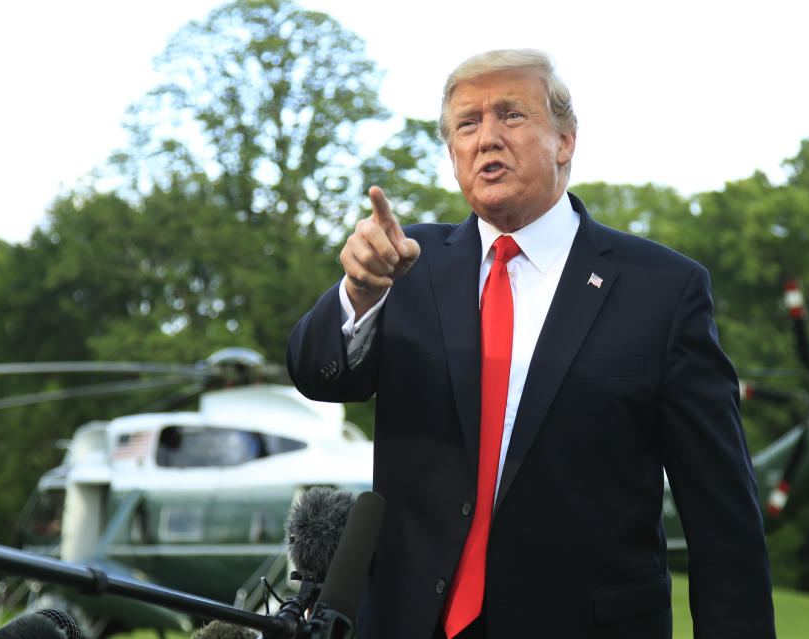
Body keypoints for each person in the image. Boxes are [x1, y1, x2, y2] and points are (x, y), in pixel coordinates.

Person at [287, 49, 775, 639]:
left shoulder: (664, 291)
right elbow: (317, 374)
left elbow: (722, 517)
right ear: (453, 153)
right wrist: (357, 294)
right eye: (468, 124)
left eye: (511, 116)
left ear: (565, 141)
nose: (487, 137)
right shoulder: (404, 266)